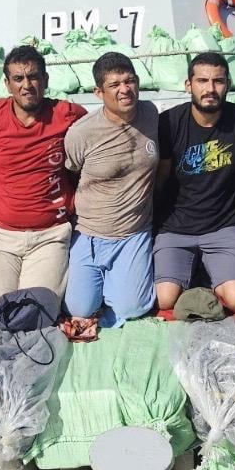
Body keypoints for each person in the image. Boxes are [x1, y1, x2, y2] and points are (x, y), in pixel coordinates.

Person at [0, 45, 87, 311]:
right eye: (18, 79)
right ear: (7, 84)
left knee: (37, 310)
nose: (27, 85)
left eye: (34, 77)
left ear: (45, 80)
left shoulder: (69, 114)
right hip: (1, 235)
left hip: (50, 234)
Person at [154, 52, 235, 314]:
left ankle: (207, 272)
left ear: (228, 85)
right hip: (176, 226)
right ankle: (196, 273)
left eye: (218, 81)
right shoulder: (169, 122)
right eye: (202, 80)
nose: (210, 89)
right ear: (188, 85)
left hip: (223, 225)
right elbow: (162, 178)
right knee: (163, 300)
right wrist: (155, 228)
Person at [63, 52, 158, 327]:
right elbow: (71, 174)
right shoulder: (81, 133)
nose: (125, 89)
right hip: (90, 233)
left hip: (134, 233)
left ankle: (118, 284)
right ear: (98, 92)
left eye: (129, 81)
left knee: (134, 307)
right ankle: (104, 284)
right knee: (78, 309)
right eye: (114, 85)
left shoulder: (150, 114)